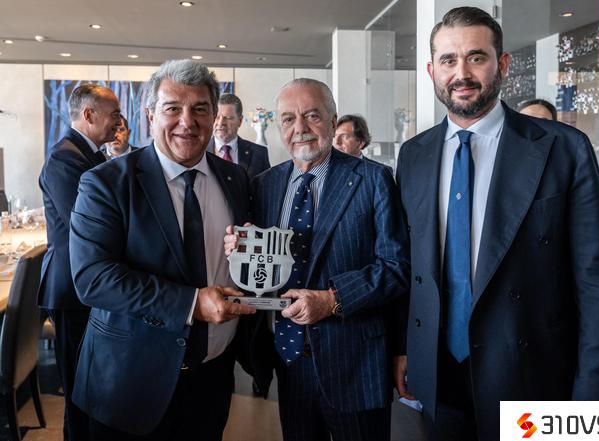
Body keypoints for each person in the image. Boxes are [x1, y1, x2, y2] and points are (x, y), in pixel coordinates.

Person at [395, 7, 599, 440]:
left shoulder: (563, 148)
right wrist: (404, 348)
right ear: (431, 71)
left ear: (502, 64)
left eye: (476, 57)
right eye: (448, 60)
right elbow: (410, 267)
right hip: (440, 378)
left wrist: (595, 406)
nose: (461, 74)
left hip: (532, 378)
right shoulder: (413, 155)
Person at [68, 59, 256, 441]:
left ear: (213, 115)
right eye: (173, 108)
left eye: (200, 109)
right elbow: (93, 278)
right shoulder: (105, 183)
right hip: (130, 384)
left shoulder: (236, 179)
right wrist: (191, 304)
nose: (187, 121)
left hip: (212, 379)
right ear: (150, 115)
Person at [226, 78, 409, 441]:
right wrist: (240, 248)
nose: (300, 128)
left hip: (355, 362)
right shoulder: (264, 185)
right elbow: (261, 263)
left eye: (312, 115)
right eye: (288, 119)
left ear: (332, 119)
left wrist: (332, 299)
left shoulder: (373, 179)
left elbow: (396, 268)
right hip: (289, 362)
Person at [39, 83, 120, 441]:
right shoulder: (65, 158)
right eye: (114, 114)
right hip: (72, 290)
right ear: (89, 115)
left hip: (90, 287)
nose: (120, 121)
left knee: (93, 389)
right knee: (78, 392)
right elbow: (87, 224)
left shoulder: (90, 155)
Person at [207, 93, 270, 179]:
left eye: (228, 118)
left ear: (240, 121)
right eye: (216, 117)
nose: (221, 123)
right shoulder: (199, 152)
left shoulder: (259, 153)